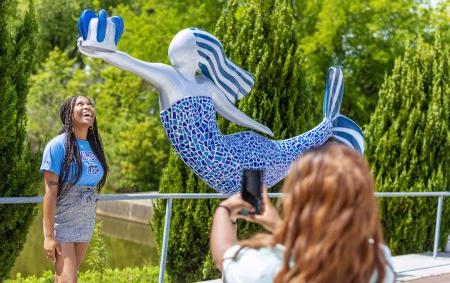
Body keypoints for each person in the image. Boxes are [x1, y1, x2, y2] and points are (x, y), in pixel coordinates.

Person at [210, 143, 395, 283]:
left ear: (294, 199)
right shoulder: (376, 263)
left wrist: (224, 210)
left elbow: (224, 255)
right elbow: (324, 247)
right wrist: (278, 226)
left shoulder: (265, 267)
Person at [41, 96, 108, 282]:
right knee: (68, 280)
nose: (87, 107)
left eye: (90, 104)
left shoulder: (94, 146)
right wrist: (49, 236)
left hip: (86, 218)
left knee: (64, 278)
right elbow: (50, 193)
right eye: (80, 104)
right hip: (63, 218)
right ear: (68, 114)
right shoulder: (57, 145)